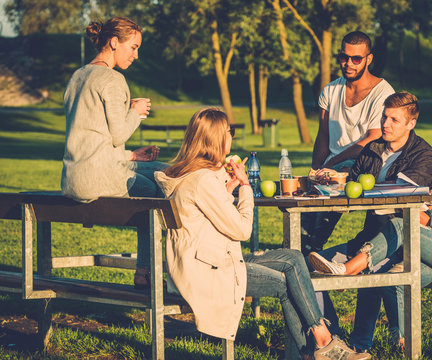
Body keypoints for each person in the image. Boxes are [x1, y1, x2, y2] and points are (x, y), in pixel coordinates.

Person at [154, 108, 370, 360]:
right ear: (216, 138)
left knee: (292, 258)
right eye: (228, 132)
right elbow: (242, 229)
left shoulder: (186, 175)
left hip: (205, 262)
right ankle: (317, 349)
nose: (231, 137)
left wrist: (228, 188)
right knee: (288, 283)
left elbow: (206, 216)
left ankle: (320, 345)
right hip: (208, 272)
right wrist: (245, 186)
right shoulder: (203, 180)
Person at [309, 115, 432, 354]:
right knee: (391, 276)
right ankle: (401, 342)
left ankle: (347, 270)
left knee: (400, 226)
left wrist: (430, 222)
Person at [308, 92, 432, 352]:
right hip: (367, 237)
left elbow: (402, 194)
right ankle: (332, 337)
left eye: (394, 119)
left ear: (411, 123)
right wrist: (336, 180)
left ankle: (360, 346)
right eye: (384, 116)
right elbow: (353, 185)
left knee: (373, 267)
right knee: (306, 267)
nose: (385, 123)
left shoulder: (425, 156)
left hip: (398, 243)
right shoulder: (373, 149)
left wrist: (358, 186)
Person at [61, 17, 169, 290]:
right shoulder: (112, 78)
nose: (136, 55)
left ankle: (148, 269)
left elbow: (91, 136)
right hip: (99, 179)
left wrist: (131, 156)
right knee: (159, 189)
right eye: (132, 47)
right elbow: (119, 134)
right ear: (113, 42)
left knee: (165, 169)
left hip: (74, 176)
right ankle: (148, 271)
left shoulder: (77, 76)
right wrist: (136, 112)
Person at [303, 30, 395, 254]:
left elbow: (374, 137)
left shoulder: (383, 93)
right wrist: (315, 171)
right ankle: (307, 256)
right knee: (304, 225)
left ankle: (345, 259)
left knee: (372, 232)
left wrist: (334, 162)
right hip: (334, 167)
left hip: (368, 166)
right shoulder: (330, 91)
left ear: (368, 59)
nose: (348, 63)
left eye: (356, 59)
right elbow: (323, 135)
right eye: (344, 57)